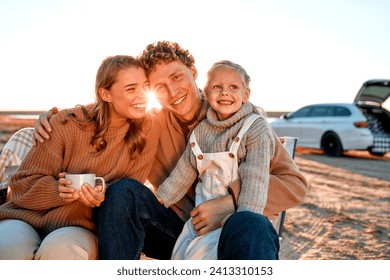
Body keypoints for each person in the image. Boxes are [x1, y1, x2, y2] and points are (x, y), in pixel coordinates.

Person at [33, 41, 308, 260]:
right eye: (160, 87)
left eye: (178, 77)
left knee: (250, 223)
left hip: (237, 230)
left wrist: (231, 203)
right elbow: (107, 108)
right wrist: (57, 118)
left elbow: (294, 184)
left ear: (194, 72)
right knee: (122, 192)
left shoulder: (240, 118)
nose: (173, 90)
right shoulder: (150, 124)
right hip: (178, 234)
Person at [0, 55, 160, 260]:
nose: (142, 96)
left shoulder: (147, 130)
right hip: (24, 218)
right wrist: (60, 190)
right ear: (105, 94)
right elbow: (21, 186)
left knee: (61, 252)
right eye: (131, 89)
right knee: (9, 248)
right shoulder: (65, 123)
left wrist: (102, 195)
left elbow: (125, 197)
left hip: (79, 226)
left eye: (145, 86)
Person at [155, 60, 275, 259]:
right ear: (207, 93)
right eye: (217, 87)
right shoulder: (201, 131)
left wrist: (241, 218)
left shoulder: (255, 127)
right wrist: (160, 199)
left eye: (233, 87)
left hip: (239, 218)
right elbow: (183, 173)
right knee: (193, 254)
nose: (224, 93)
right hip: (203, 218)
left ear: (246, 95)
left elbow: (256, 179)